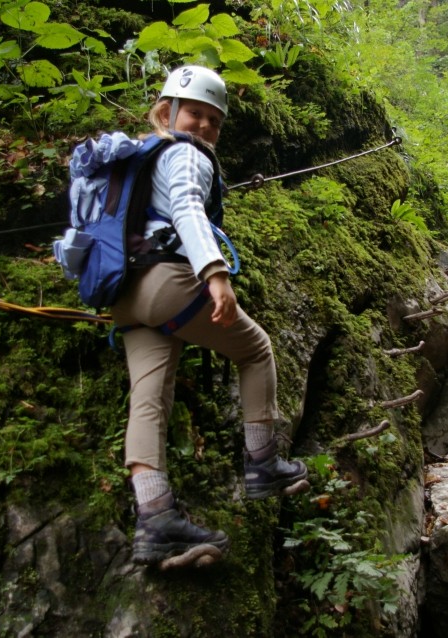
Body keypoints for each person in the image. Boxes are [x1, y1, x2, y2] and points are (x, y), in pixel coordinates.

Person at [110, 65, 309, 566]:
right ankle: (263, 464)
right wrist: (215, 272)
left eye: (213, 122)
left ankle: (155, 520)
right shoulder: (183, 154)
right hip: (167, 281)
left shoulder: (138, 158)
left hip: (124, 295)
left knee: (149, 398)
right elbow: (187, 209)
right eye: (195, 114)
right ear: (168, 111)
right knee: (256, 349)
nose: (204, 127)